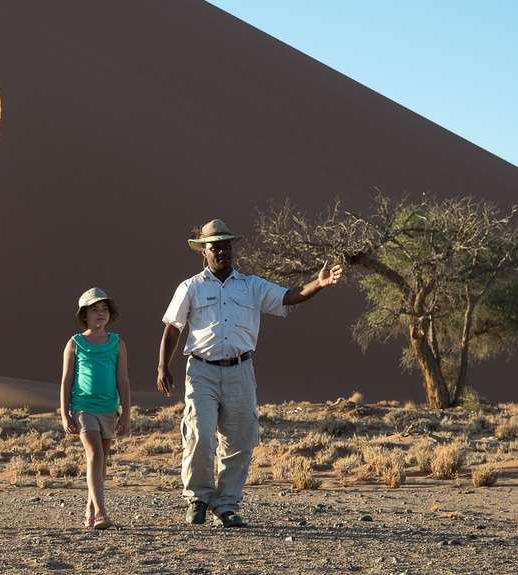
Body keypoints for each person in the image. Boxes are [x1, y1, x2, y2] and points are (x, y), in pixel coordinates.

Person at [157, 218, 342, 527]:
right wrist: (163, 365)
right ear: (204, 251)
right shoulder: (190, 287)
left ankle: (226, 505)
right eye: (215, 247)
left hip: (240, 370)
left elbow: (290, 296)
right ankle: (198, 499)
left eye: (227, 246)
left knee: (239, 440)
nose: (222, 252)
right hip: (201, 371)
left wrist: (318, 284)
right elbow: (172, 329)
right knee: (201, 435)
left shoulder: (252, 286)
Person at [60, 287, 131, 529]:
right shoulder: (75, 343)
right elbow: (66, 380)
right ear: (84, 315)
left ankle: (90, 508)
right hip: (83, 407)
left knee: (102, 459)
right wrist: (64, 413)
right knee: (94, 454)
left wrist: (126, 414)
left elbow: (123, 381)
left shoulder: (117, 343)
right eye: (94, 310)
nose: (100, 314)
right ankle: (101, 512)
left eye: (104, 309)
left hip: (109, 408)